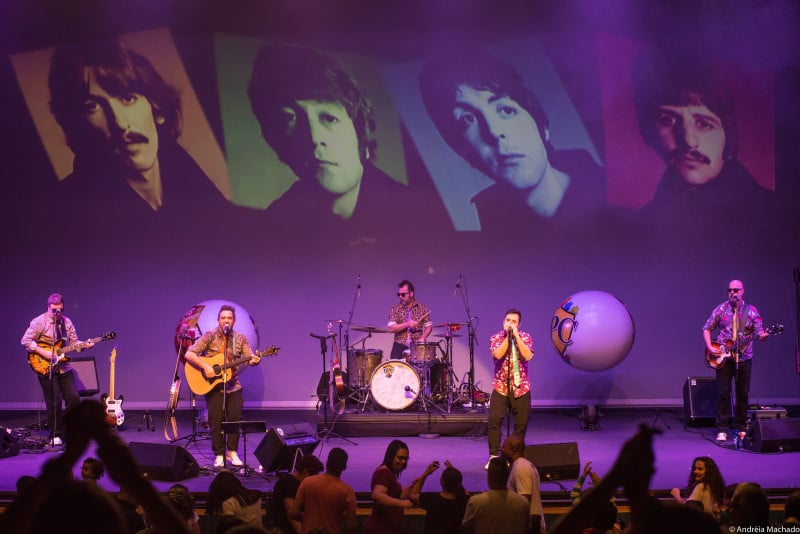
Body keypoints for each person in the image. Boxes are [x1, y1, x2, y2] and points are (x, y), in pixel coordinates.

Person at [418, 45, 604, 235]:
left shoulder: (621, 199)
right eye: (468, 119)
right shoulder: (494, 249)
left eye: (506, 110)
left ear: (542, 127)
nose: (494, 131)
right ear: (463, 151)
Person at [248, 43, 417, 233]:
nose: (314, 137)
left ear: (359, 130)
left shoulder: (419, 215)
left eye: (329, 118)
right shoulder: (272, 228)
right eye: (289, 119)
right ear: (274, 141)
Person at [47, 37, 226, 215]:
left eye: (127, 98)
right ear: (76, 127)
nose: (120, 122)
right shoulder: (69, 211)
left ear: (157, 108)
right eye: (92, 106)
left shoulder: (178, 163)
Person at [632, 49, 773, 222]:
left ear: (728, 137)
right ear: (649, 132)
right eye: (667, 121)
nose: (689, 141)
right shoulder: (640, 224)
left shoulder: (776, 216)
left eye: (704, 124)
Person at [183, 304, 262, 467]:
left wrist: (255, 360)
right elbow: (189, 353)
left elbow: (249, 357)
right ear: (219, 320)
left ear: (234, 321)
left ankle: (232, 452)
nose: (226, 320)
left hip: (234, 386)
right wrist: (206, 367)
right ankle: (218, 453)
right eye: (223, 318)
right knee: (215, 421)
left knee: (235, 420)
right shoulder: (210, 336)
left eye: (230, 318)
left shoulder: (240, 338)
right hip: (214, 387)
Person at [21, 292, 95, 446]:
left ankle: (70, 431)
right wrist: (45, 353)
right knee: (54, 400)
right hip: (44, 365)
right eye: (54, 310)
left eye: (60, 310)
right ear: (48, 307)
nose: (57, 313)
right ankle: (55, 434)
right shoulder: (39, 322)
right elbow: (25, 341)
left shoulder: (66, 322)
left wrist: (85, 345)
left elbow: (74, 343)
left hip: (63, 366)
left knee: (73, 398)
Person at [702, 279, 769, 442]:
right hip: (723, 358)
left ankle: (741, 427)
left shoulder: (751, 311)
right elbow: (706, 328)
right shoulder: (721, 309)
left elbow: (759, 331)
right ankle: (722, 428)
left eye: (736, 290)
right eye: (730, 290)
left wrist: (763, 335)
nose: (732, 292)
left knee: (742, 394)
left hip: (744, 358)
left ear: (742, 291)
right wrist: (711, 347)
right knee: (723, 393)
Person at [486, 309, 533, 465]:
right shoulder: (496, 338)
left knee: (522, 423)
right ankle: (494, 456)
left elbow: (527, 356)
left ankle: (513, 457)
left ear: (519, 324)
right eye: (508, 320)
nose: (510, 323)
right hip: (501, 386)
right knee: (494, 420)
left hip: (521, 386)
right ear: (503, 322)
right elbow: (498, 355)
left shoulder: (526, 337)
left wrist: (517, 337)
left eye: (514, 321)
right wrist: (508, 337)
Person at [291, 447, 357, 533]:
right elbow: (351, 525)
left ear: (327, 463)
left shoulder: (307, 482)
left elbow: (294, 513)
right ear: (344, 467)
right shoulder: (347, 491)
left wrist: (309, 517)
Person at [461, 456, 529, 534]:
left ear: (489, 476)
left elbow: (465, 529)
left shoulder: (475, 502)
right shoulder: (523, 503)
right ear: (507, 476)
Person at [363, 439, 414, 533]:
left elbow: (396, 496)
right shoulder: (384, 473)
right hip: (380, 529)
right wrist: (401, 503)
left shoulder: (388, 473)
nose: (403, 461)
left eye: (405, 459)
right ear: (391, 456)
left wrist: (424, 475)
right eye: (400, 458)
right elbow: (377, 495)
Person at [406, 459, 469, 534]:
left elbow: (412, 496)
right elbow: (466, 493)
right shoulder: (463, 501)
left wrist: (425, 474)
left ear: (441, 482)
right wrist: (454, 475)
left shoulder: (432, 499)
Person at [501, 435, 545, 534]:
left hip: (527, 526)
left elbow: (524, 500)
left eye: (503, 447)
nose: (501, 449)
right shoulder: (522, 465)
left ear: (513, 450)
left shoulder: (521, 467)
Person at [271, 453, 324, 533]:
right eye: (313, 477)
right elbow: (291, 514)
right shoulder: (290, 484)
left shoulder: (294, 481)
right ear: (306, 472)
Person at [387, 280, 433, 361]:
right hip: (399, 345)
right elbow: (391, 328)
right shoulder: (395, 308)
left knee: (417, 372)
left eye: (403, 294)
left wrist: (423, 337)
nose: (400, 297)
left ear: (411, 294)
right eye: (399, 294)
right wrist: (408, 324)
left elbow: (429, 326)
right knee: (396, 372)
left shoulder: (422, 307)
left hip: (416, 346)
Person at [670, 456, 726, 520]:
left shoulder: (701, 486)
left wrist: (676, 495)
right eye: (695, 468)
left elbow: (688, 509)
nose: (696, 471)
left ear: (708, 471)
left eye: (700, 469)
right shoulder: (714, 486)